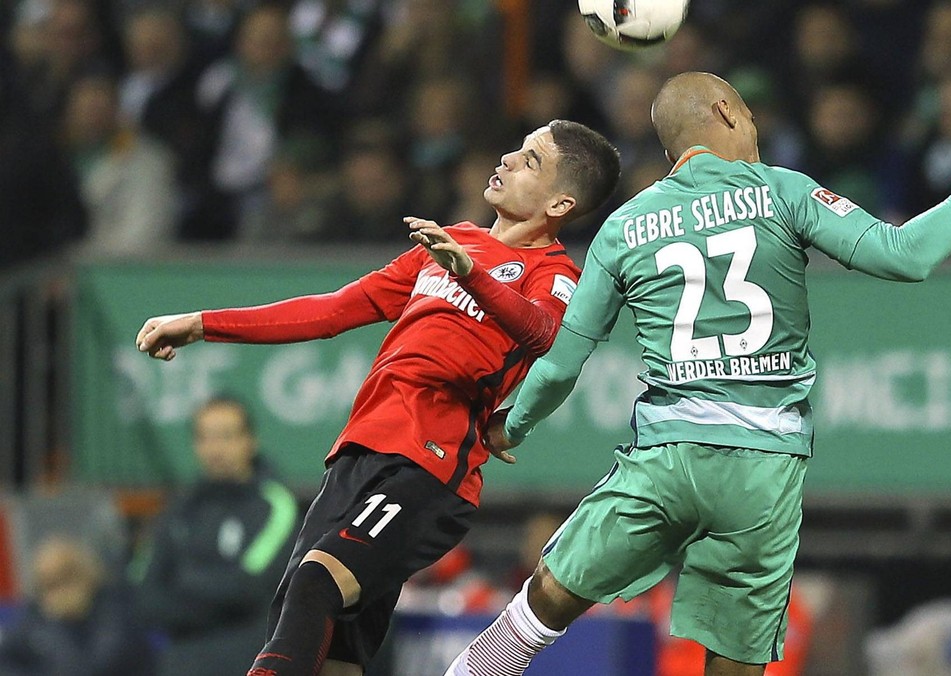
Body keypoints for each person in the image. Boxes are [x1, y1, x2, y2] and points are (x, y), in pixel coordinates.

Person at [443, 72, 951, 676]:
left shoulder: (624, 227)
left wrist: (512, 425)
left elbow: (559, 364)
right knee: (738, 657)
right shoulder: (781, 191)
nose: (754, 129)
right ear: (725, 113)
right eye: (748, 116)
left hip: (667, 457)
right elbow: (906, 256)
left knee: (549, 594)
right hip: (762, 467)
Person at [133, 119, 621, 676]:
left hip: (430, 470)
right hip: (355, 458)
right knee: (335, 651)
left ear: (561, 203)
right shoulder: (449, 244)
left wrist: (471, 275)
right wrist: (201, 323)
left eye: (531, 160)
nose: (509, 158)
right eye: (517, 149)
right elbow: (332, 310)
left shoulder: (553, 272)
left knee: (317, 582)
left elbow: (545, 335)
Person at [130, 396, 299, 676]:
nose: (215, 449)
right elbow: (144, 594)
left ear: (250, 441)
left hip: (251, 661)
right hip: (182, 663)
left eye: (226, 436)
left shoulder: (276, 506)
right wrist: (216, 593)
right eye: (204, 438)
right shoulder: (179, 511)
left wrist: (185, 580)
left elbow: (252, 587)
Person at [0, 537, 154, 676]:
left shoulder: (114, 608)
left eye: (65, 578)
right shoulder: (35, 615)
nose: (59, 591)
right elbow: (7, 660)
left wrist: (60, 624)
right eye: (49, 584)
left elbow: (93, 666)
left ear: (84, 573)